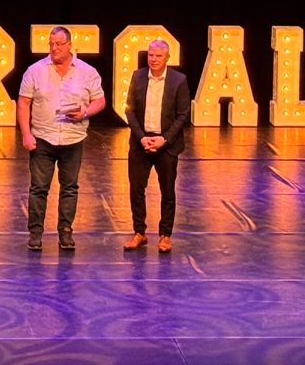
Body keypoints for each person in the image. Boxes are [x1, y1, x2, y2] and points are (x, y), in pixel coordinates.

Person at [17, 25, 106, 250]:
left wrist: (85, 112)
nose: (54, 48)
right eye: (51, 44)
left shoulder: (87, 71)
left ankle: (65, 232)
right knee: (39, 188)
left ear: (69, 45)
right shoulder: (35, 71)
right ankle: (35, 233)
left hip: (73, 138)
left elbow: (100, 101)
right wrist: (26, 134)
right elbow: (23, 103)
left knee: (69, 187)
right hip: (43, 138)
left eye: (58, 44)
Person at [123, 39, 191, 254]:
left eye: (158, 56)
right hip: (140, 143)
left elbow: (182, 115)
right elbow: (129, 110)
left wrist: (164, 139)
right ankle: (139, 232)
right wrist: (142, 137)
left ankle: (165, 235)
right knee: (136, 189)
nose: (153, 59)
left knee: (167, 191)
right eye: (151, 55)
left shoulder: (179, 80)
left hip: (166, 145)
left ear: (167, 58)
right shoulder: (138, 76)